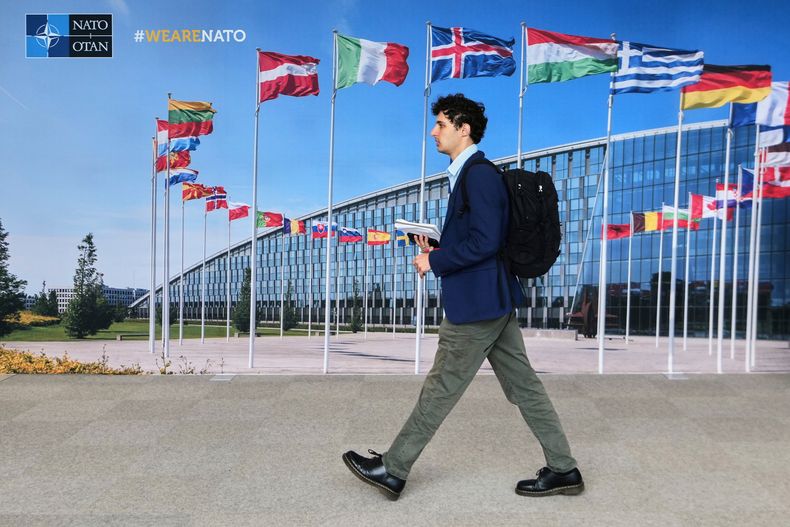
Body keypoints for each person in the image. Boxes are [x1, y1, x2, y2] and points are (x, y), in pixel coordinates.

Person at [342, 94, 583, 500]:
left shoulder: (478, 175)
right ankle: (564, 469)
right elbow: (478, 237)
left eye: (441, 124)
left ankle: (393, 468)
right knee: (525, 388)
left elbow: (486, 241)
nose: (433, 131)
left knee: (441, 386)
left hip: (477, 306)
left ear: (463, 128)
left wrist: (434, 263)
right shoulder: (468, 175)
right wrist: (437, 246)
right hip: (493, 300)